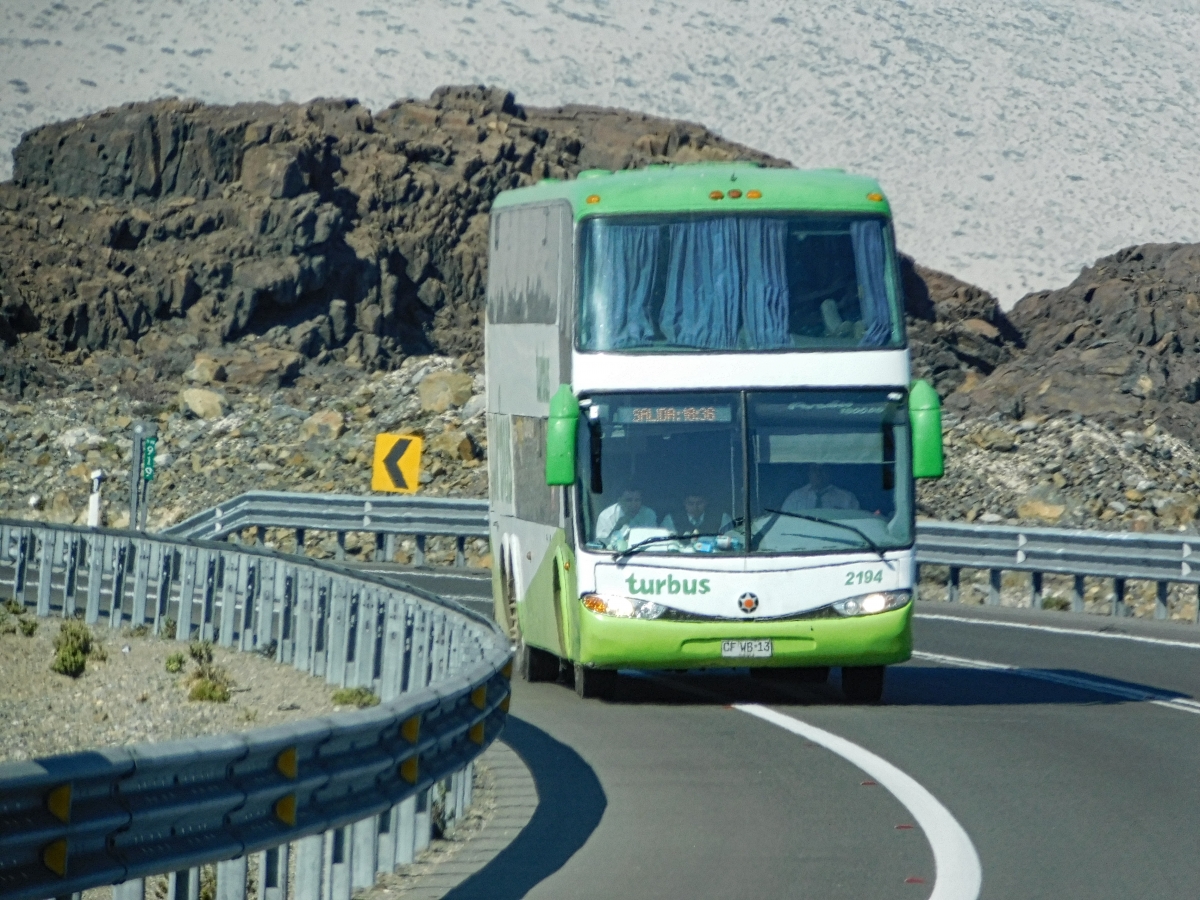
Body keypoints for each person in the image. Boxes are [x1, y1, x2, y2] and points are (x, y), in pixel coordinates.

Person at [781, 464, 860, 512]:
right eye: (814, 469)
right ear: (809, 473)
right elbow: (784, 522)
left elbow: (857, 523)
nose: (818, 474)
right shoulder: (795, 497)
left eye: (822, 469)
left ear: (829, 472)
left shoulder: (847, 498)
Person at [661, 492, 732, 535]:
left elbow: (732, 538)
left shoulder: (721, 517)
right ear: (684, 504)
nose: (695, 507)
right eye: (691, 503)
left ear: (706, 502)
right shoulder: (671, 519)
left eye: (699, 503)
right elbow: (665, 543)